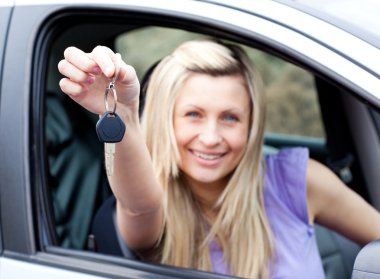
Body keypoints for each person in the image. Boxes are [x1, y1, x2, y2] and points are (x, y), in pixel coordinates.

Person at [58, 39, 380, 278]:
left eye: (230, 118)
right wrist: (124, 114)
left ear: (251, 125)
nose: (211, 138)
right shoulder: (153, 205)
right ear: (165, 120)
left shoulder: (298, 180)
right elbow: (138, 205)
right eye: (193, 115)